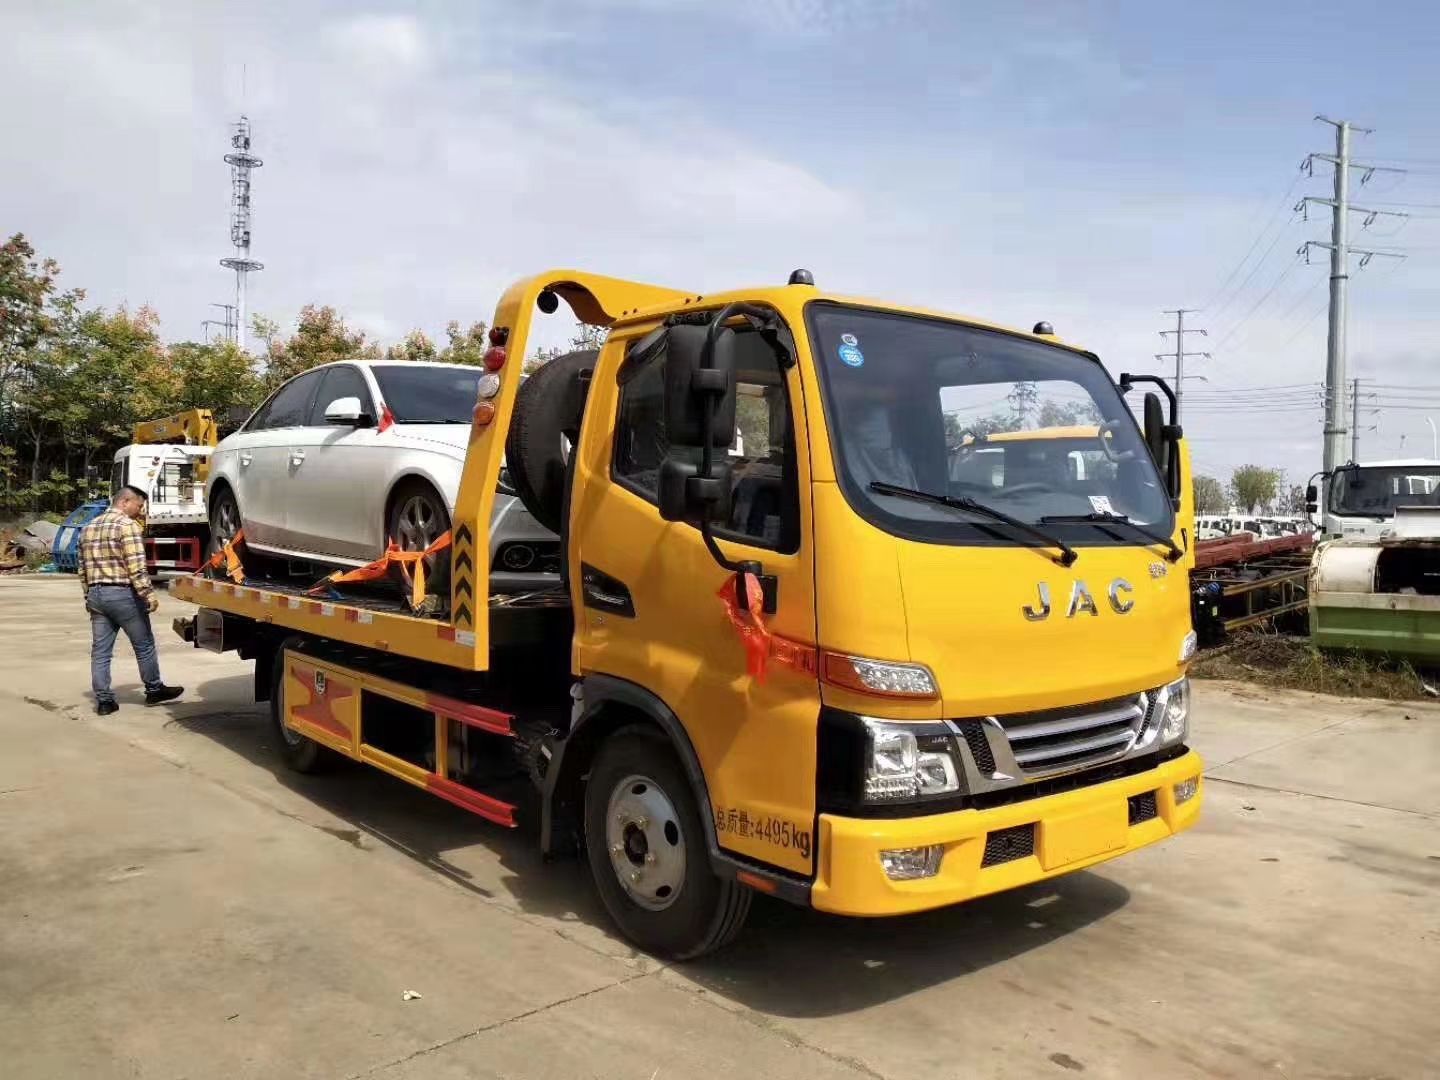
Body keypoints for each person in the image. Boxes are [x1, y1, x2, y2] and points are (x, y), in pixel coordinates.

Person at [78, 485, 183, 715]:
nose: (141, 510)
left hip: (97, 594)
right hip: (123, 595)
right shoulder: (128, 526)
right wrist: (148, 593)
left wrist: (88, 595)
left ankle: (105, 701)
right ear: (125, 502)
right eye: (139, 504)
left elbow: (82, 569)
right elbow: (136, 566)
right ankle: (154, 690)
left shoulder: (88, 528)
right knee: (144, 644)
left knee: (101, 651)